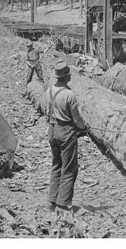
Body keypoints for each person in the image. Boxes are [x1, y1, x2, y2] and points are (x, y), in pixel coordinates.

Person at [45, 61, 86, 213]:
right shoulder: (69, 95)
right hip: (65, 131)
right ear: (67, 76)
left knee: (56, 165)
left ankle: (51, 202)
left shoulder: (49, 90)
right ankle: (62, 205)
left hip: (52, 129)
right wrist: (84, 128)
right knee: (69, 168)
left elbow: (47, 110)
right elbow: (77, 119)